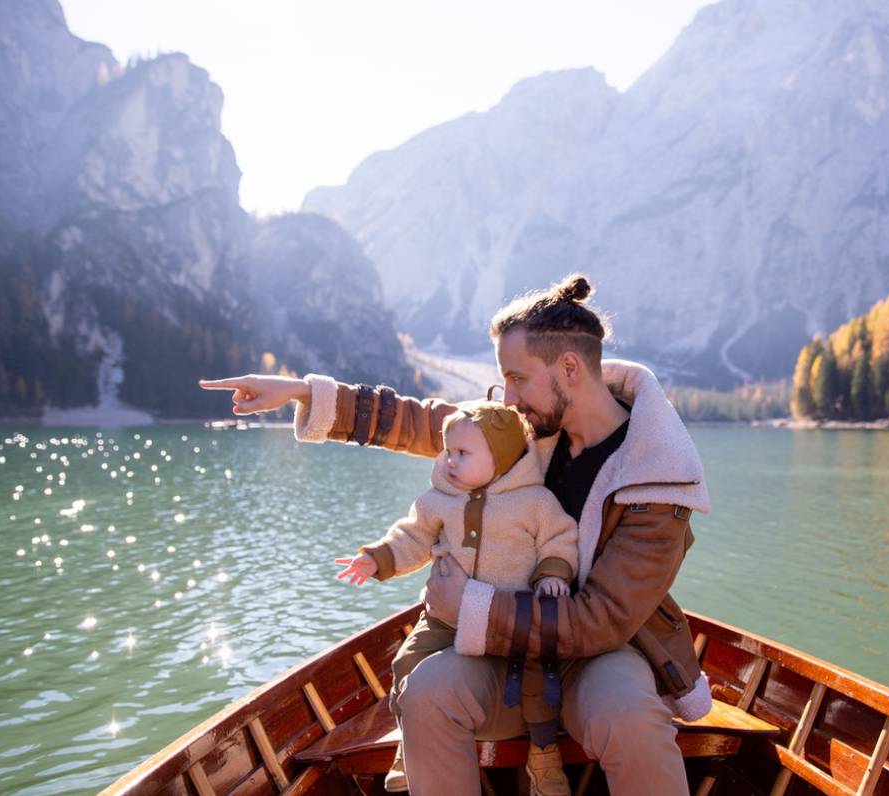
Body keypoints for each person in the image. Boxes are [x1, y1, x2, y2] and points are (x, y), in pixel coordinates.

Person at [200, 274, 711, 796]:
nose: (508, 398)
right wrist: (303, 392)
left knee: (631, 717)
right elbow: (422, 422)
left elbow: (601, 620)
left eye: (517, 379)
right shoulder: (526, 426)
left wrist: (471, 606)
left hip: (598, 655)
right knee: (426, 692)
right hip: (501, 657)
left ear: (569, 368)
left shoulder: (657, 474)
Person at [336, 401, 579, 794]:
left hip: (510, 621)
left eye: (463, 453)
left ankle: (544, 756)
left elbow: (560, 539)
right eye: (449, 451)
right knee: (406, 662)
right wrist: (377, 558)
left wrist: (553, 573)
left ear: (500, 456)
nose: (451, 460)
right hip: (445, 620)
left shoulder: (535, 502)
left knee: (538, 687)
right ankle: (409, 743)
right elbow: (412, 537)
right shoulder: (439, 499)